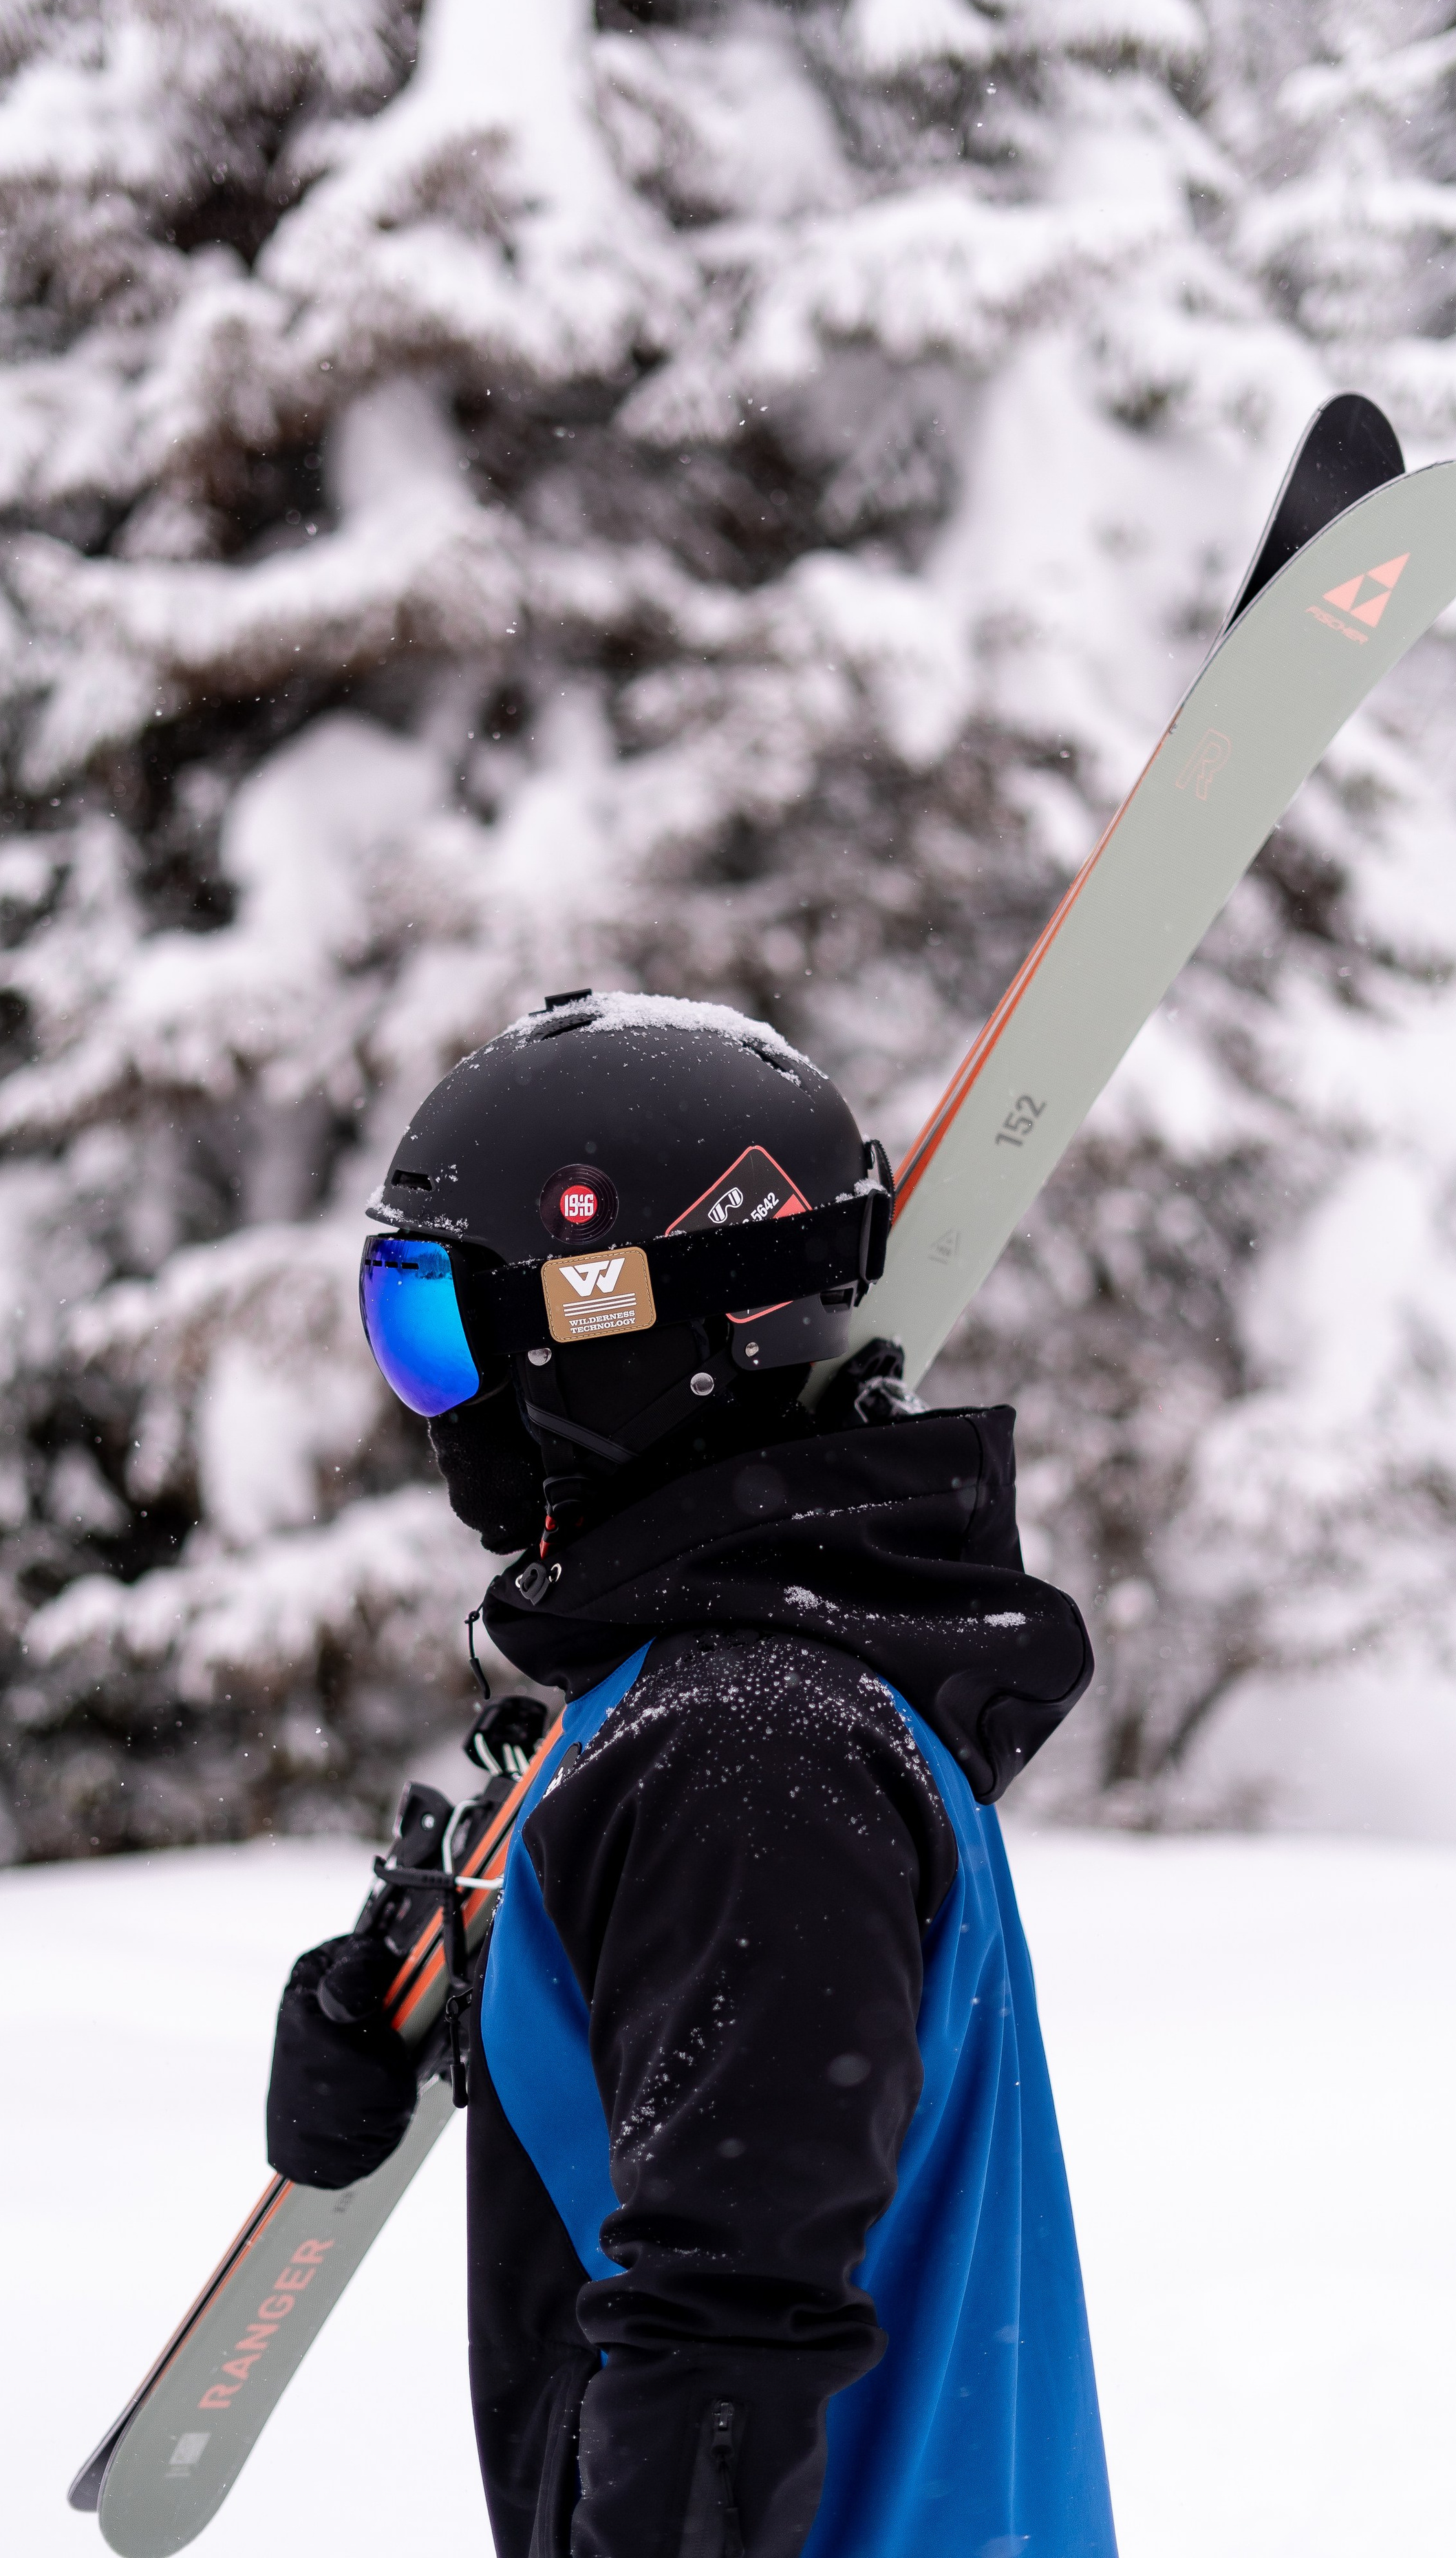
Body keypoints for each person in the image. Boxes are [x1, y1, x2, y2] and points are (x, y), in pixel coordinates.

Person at [267, 990, 1117, 2558]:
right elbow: (735, 2097)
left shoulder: (744, 1755)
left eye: (445, 1332)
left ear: (612, 1319)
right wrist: (445, 1994)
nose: (435, 1405)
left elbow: (727, 2340)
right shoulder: (758, 1701)